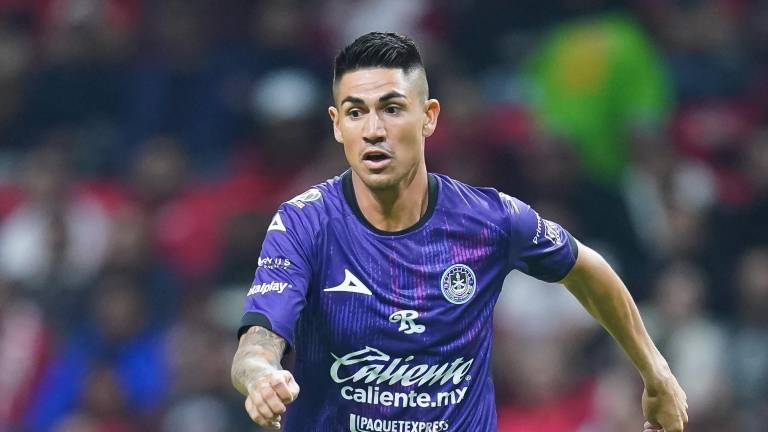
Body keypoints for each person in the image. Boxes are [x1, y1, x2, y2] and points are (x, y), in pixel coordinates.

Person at [230, 32, 688, 431]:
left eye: (392, 109)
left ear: (428, 116)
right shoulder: (305, 223)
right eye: (355, 112)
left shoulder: (490, 219)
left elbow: (586, 268)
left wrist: (656, 373)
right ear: (336, 125)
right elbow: (258, 342)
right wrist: (260, 375)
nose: (373, 130)